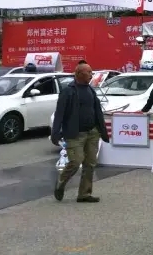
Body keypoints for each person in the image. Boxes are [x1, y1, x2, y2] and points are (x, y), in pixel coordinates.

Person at [51, 62, 109, 202]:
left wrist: (102, 131)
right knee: (76, 162)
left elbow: (98, 112)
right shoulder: (68, 91)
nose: (91, 74)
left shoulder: (90, 90)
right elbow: (59, 113)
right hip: (75, 134)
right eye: (89, 72)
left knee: (90, 163)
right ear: (79, 74)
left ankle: (84, 194)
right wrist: (55, 133)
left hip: (92, 133)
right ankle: (61, 181)